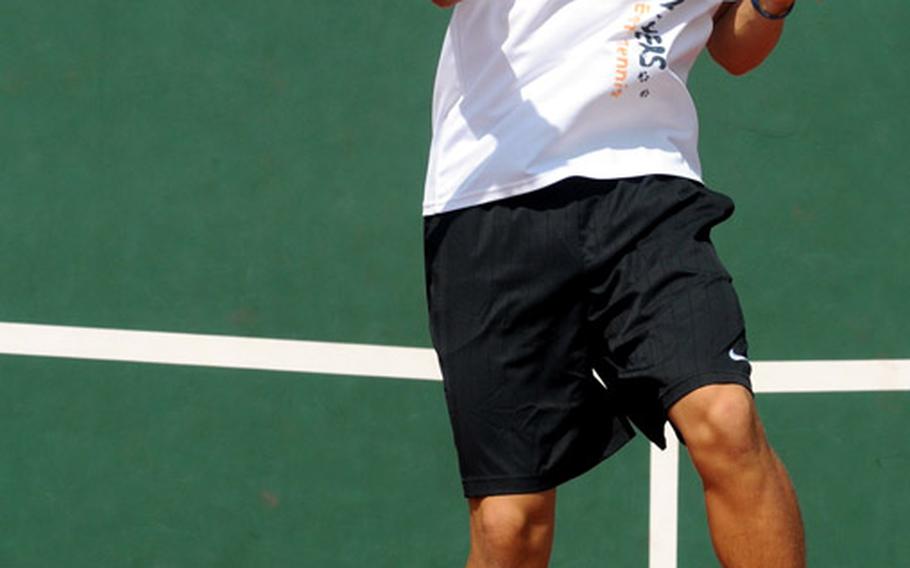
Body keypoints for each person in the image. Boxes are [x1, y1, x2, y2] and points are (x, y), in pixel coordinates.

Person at [422, 0, 805, 566]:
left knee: (726, 419)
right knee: (510, 525)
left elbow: (735, 47)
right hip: (491, 194)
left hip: (648, 186)